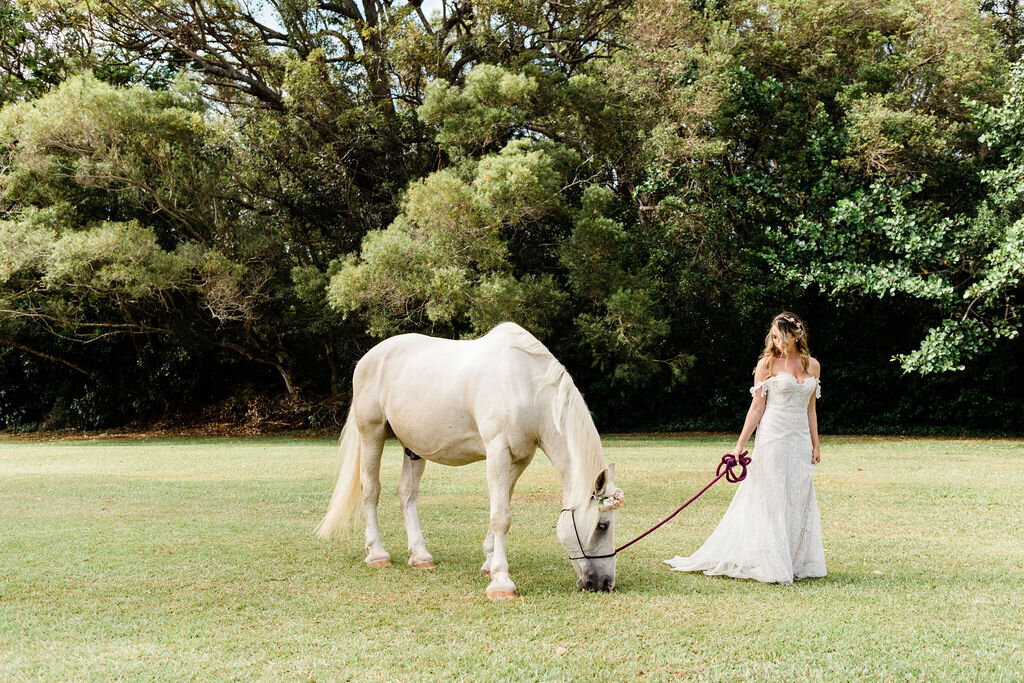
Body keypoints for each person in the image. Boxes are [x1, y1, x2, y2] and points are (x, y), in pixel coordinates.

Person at [665, 312, 826, 584]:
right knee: (773, 497)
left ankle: (795, 562)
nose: (774, 341)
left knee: (798, 496)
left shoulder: (813, 366)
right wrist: (740, 445)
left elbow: (811, 408)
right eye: (772, 336)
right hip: (773, 437)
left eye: (779, 336)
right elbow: (756, 407)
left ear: (795, 335)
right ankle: (772, 563)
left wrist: (815, 442)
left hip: (799, 440)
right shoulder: (767, 364)